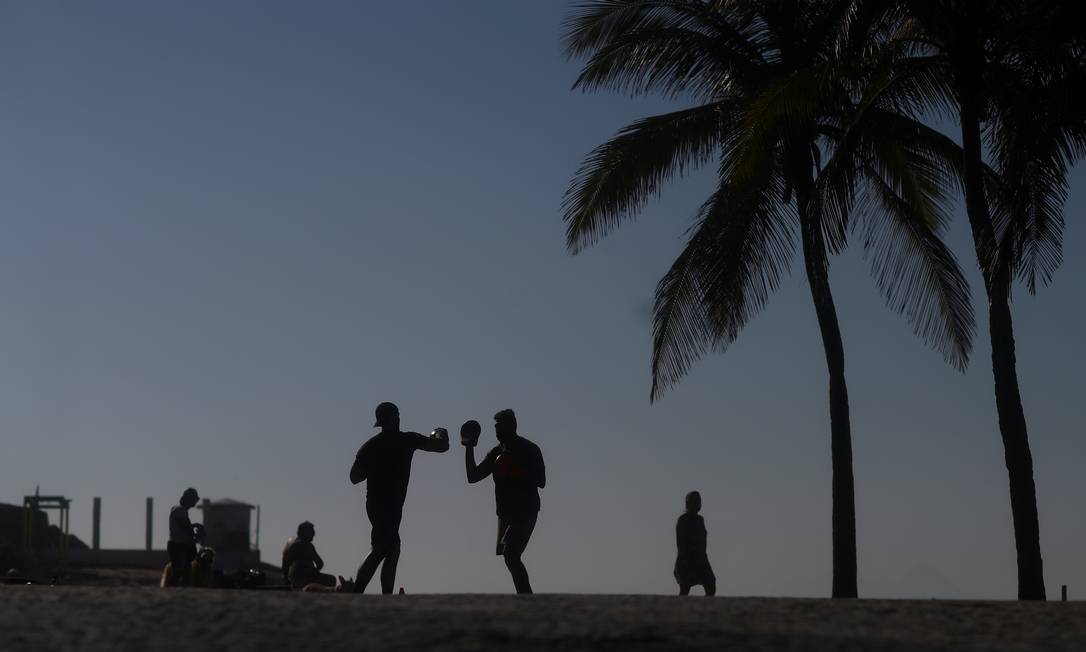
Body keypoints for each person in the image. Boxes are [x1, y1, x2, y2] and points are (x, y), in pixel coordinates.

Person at [350, 401, 449, 593]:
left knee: (390, 549)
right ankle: (360, 591)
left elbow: (355, 477)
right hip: (384, 506)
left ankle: (379, 593)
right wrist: (440, 432)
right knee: (383, 549)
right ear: (397, 418)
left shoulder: (372, 446)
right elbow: (441, 446)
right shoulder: (406, 440)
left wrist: (373, 467)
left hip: (385, 506)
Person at [464, 409, 545, 594]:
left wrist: (517, 471)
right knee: (510, 556)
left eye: (500, 426)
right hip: (506, 513)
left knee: (511, 554)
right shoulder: (496, 452)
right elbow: (473, 476)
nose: (497, 430)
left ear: (512, 426)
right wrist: (469, 447)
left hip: (526, 509)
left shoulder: (529, 449)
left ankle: (526, 599)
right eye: (496, 426)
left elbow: (542, 481)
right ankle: (525, 597)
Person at [674, 491, 716, 596]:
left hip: (701, 560)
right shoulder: (683, 520)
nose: (698, 504)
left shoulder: (700, 520)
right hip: (686, 560)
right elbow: (680, 542)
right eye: (696, 502)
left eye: (699, 502)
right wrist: (685, 558)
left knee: (710, 584)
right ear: (689, 504)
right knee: (684, 589)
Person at [282, 521, 335, 589]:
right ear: (305, 532)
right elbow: (320, 563)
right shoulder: (306, 545)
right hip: (305, 578)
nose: (314, 534)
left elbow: (285, 565)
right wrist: (314, 571)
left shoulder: (290, 543)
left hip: (293, 578)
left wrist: (286, 578)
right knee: (332, 580)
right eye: (312, 532)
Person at [166, 487, 200, 587]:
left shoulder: (180, 510)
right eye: (194, 499)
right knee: (179, 571)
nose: (195, 502)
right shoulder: (180, 510)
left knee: (186, 572)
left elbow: (184, 527)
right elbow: (185, 527)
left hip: (180, 545)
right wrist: (194, 530)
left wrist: (193, 527)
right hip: (178, 546)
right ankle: (171, 590)